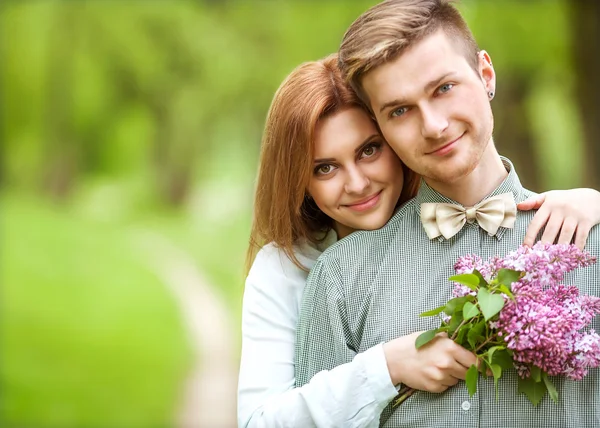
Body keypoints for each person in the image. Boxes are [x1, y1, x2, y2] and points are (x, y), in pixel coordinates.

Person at [238, 51, 600, 427]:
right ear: (300, 181)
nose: (358, 184)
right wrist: (388, 366)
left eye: (369, 150)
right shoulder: (293, 268)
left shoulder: (454, 215)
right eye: (325, 168)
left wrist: (593, 202)